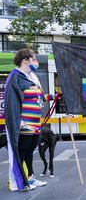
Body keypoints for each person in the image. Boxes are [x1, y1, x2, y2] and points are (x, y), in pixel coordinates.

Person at [4, 49, 57, 191]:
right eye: (33, 58)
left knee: (29, 152)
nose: (36, 61)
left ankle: (30, 177)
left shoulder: (30, 78)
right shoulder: (15, 78)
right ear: (25, 60)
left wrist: (54, 96)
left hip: (35, 124)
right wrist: (18, 121)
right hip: (25, 124)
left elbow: (38, 98)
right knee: (22, 152)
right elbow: (11, 102)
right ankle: (18, 181)